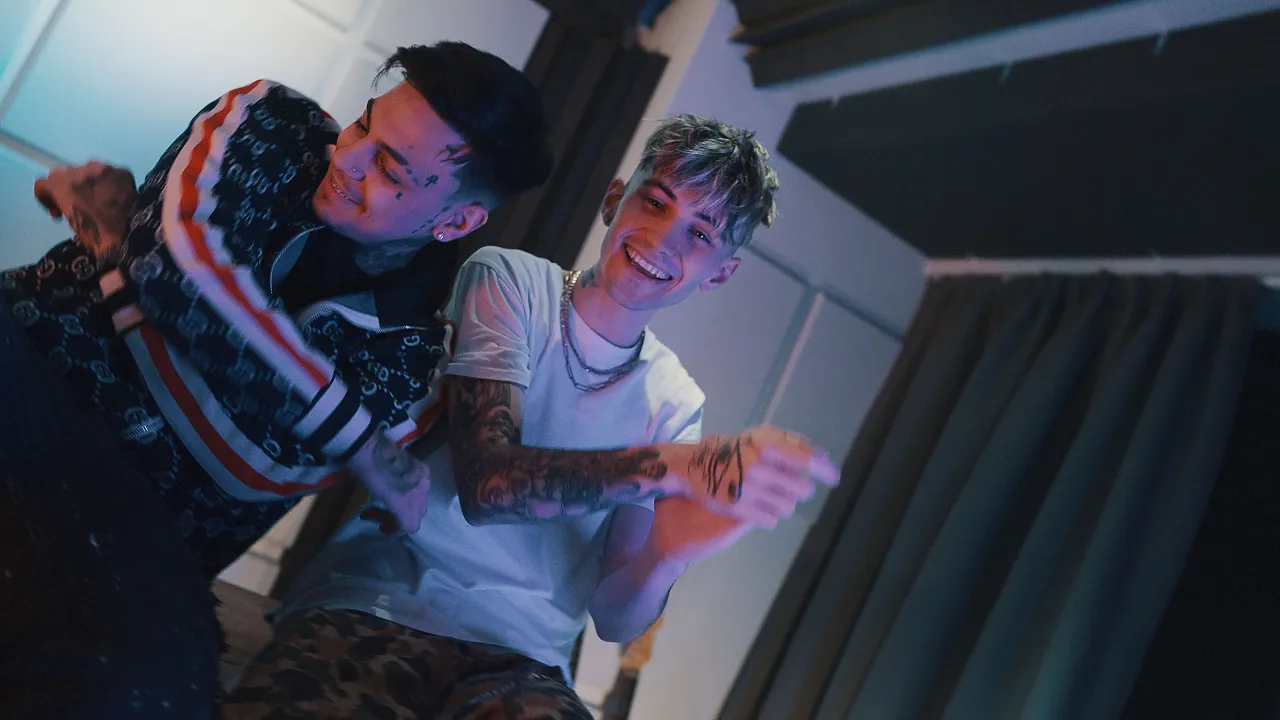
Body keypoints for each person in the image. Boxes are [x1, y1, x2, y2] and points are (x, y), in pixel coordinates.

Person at [221, 114, 840, 719]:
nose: (661, 239)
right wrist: (667, 467)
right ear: (614, 200)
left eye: (700, 235)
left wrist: (668, 556)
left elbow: (614, 618)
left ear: (722, 272)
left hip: (524, 664)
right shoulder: (510, 280)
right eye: (655, 202)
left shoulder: (677, 402)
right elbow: (486, 484)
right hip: (377, 604)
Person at [3, 41, 553, 577]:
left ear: (456, 221)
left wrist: (115, 259)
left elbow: (249, 466)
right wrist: (363, 443)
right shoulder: (269, 119)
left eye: (388, 169)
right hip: (25, 362)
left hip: (116, 542)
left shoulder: (417, 364)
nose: (346, 157)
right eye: (363, 124)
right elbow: (169, 266)